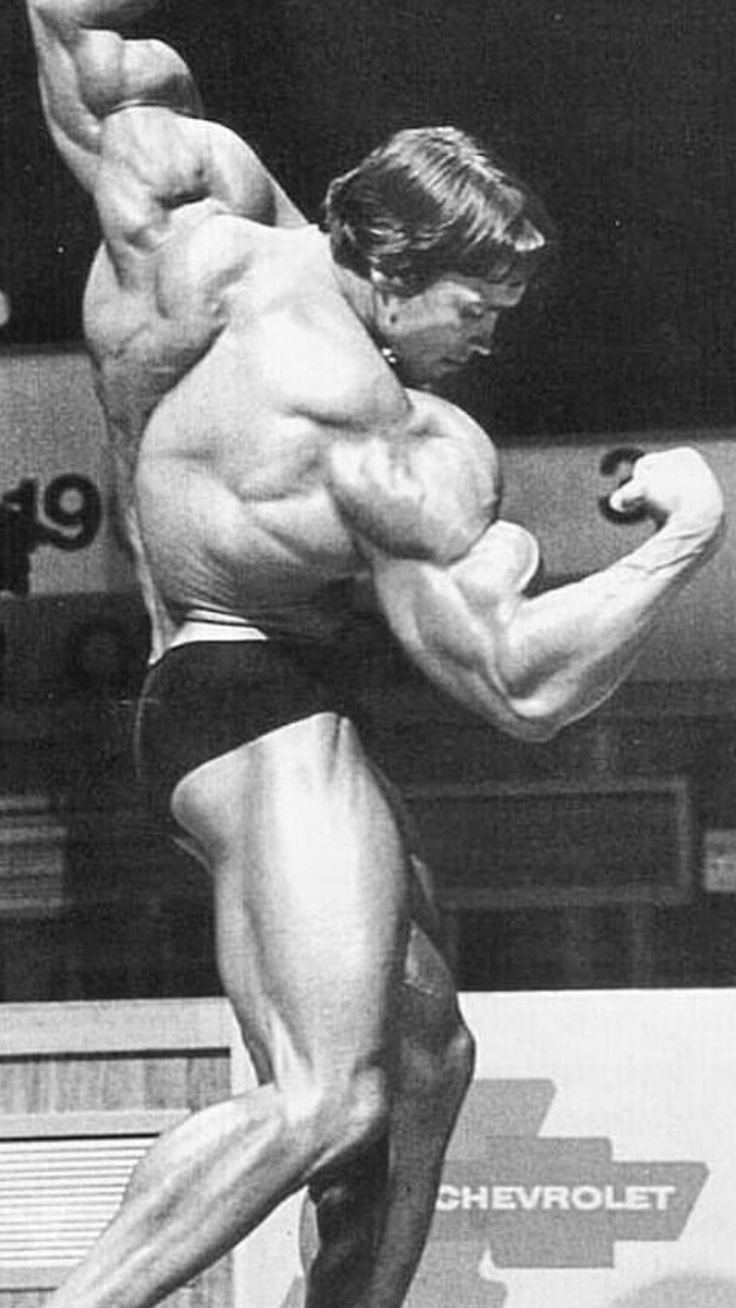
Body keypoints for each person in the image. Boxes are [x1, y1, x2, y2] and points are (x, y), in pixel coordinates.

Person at [25, 3, 724, 1308]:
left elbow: (91, 75)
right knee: (327, 1096)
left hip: (205, 693)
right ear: (402, 270)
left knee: (422, 1060)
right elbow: (521, 688)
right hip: (260, 708)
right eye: (480, 302)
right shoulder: (392, 431)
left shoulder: (218, 237)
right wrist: (684, 541)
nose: (492, 336)